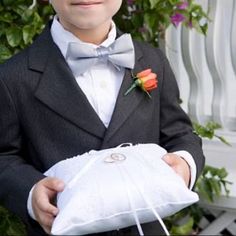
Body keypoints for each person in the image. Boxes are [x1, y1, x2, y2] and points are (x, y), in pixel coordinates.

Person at [0, 0, 205, 235]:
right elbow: (4, 156)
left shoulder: (152, 60)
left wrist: (185, 163)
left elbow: (180, 133)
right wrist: (30, 192)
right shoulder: (12, 77)